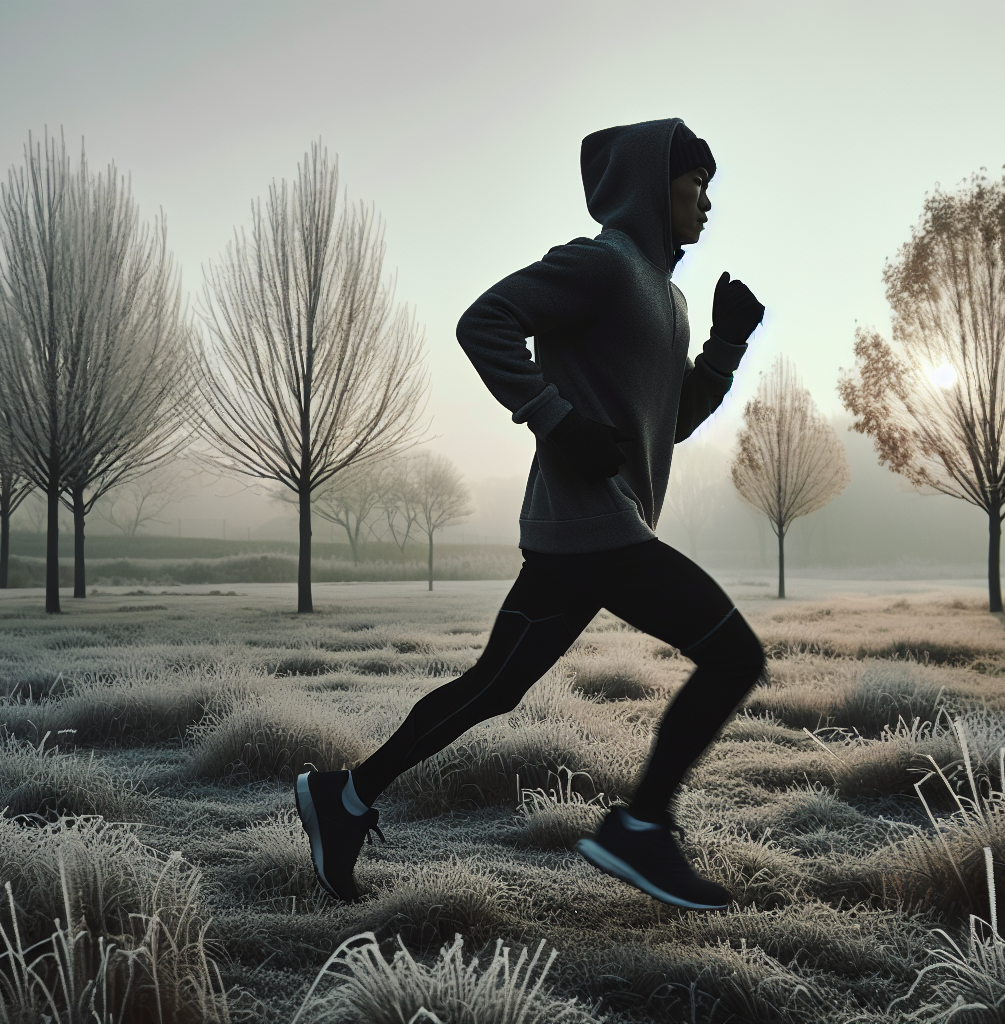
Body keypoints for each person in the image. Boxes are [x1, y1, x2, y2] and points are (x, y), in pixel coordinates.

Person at [296, 118, 767, 911]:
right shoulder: (603, 264)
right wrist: (553, 416)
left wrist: (721, 348)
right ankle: (641, 827)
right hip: (599, 528)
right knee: (734, 657)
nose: (707, 202)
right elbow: (483, 322)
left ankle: (344, 796)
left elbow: (671, 421)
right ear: (658, 186)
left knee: (493, 687)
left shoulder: (670, 297)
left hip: (583, 535)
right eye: (696, 184)